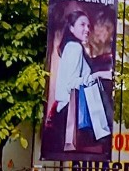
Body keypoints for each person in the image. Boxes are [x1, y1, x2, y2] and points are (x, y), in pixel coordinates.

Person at [44, 9, 112, 156]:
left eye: (88, 26)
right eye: (82, 25)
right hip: (71, 113)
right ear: (71, 27)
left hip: (64, 112)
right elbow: (72, 83)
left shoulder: (69, 47)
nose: (87, 29)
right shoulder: (75, 48)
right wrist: (98, 75)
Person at [86, 10, 116, 130]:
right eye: (103, 27)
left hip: (104, 106)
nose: (105, 32)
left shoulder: (111, 54)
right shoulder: (88, 52)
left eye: (108, 28)